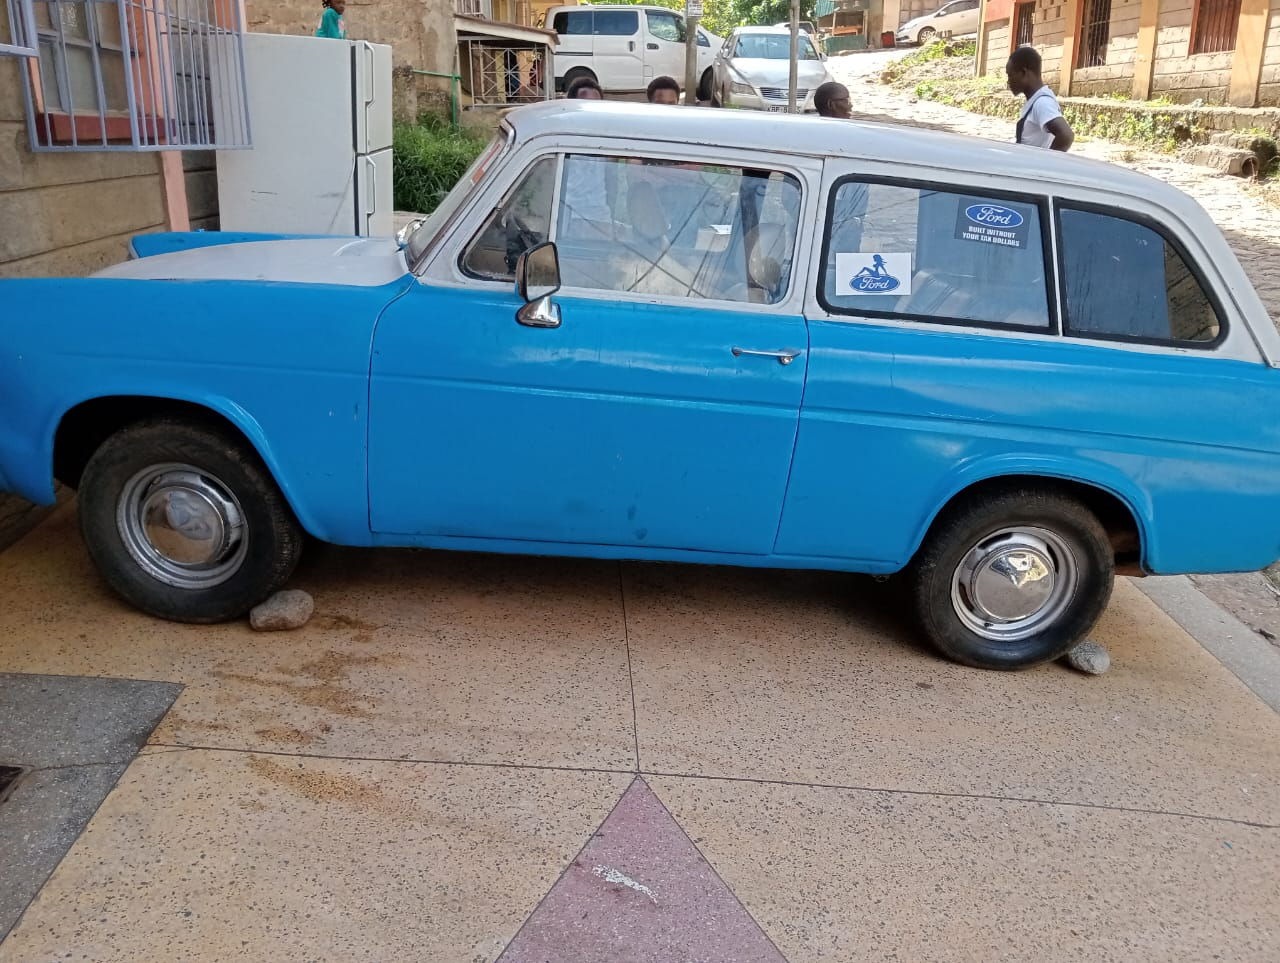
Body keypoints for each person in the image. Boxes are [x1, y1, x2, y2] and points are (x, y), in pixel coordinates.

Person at [1006, 46, 1074, 152]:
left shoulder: (1042, 103)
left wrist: (1046, 162)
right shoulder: (1035, 100)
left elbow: (1066, 135)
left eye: (1010, 76)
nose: (1008, 82)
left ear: (1024, 73)